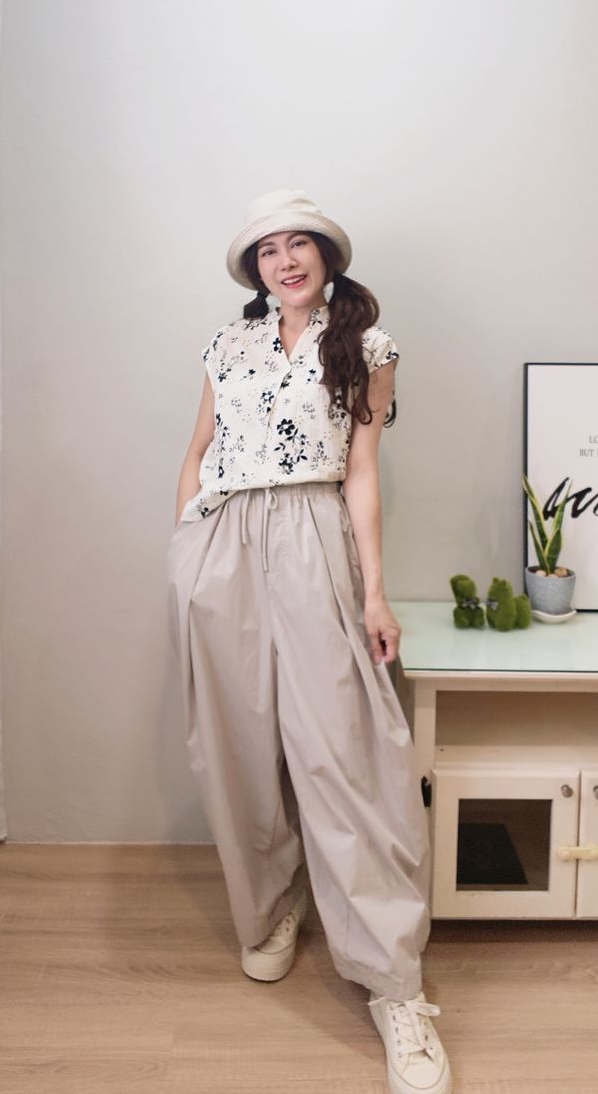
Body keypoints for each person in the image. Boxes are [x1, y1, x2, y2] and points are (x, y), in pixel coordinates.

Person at [167, 190, 452, 1094]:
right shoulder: (229, 342)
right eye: (268, 251)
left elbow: (362, 469)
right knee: (239, 745)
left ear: (327, 256)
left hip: (313, 533)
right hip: (223, 543)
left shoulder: (366, 345)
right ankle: (276, 901)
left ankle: (396, 988)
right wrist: (185, 549)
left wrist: (374, 590)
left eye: (300, 244)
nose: (284, 260)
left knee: (343, 754)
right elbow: (199, 445)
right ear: (255, 270)